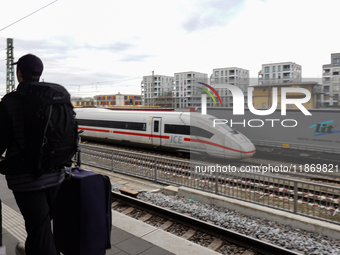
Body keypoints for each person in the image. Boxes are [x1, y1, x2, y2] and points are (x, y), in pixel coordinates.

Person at [0, 54, 64, 255]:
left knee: (39, 229)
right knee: (42, 226)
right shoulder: (55, 97)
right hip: (56, 174)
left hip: (26, 179)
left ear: (19, 74)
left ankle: (35, 248)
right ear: (39, 74)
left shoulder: (9, 102)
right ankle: (31, 248)